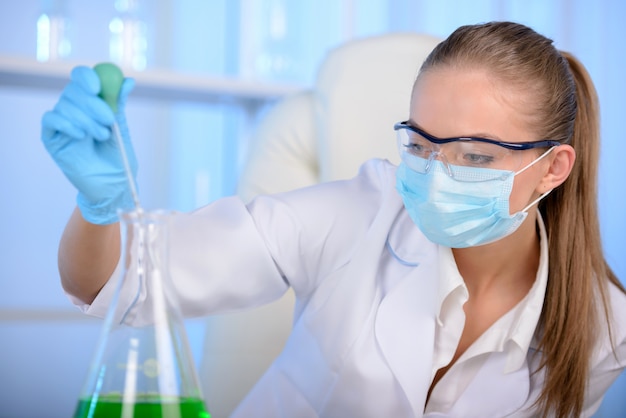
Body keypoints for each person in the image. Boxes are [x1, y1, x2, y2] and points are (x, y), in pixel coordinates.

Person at [42, 21, 625, 417]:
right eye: (420, 145)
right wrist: (101, 208)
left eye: (475, 157)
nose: (438, 174)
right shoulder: (357, 214)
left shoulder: (605, 330)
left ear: (553, 168)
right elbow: (113, 280)